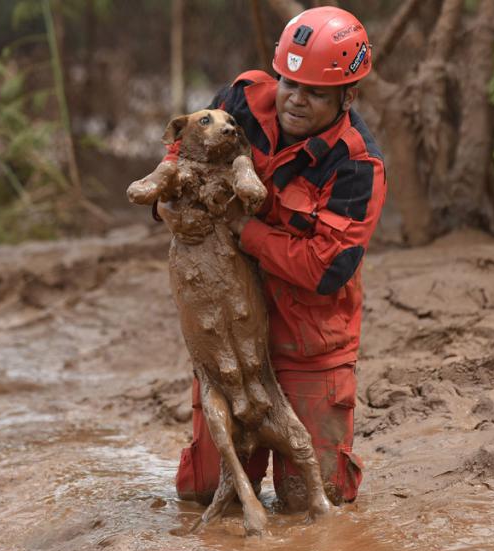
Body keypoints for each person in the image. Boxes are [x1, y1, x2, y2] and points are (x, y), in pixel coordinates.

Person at [165, 6, 386, 510]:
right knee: (202, 495)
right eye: (290, 82)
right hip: (230, 333)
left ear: (347, 97)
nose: (295, 100)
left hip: (309, 342)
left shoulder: (357, 165)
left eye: (315, 92)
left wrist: (247, 229)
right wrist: (168, 198)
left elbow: (326, 269)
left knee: (313, 499)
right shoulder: (240, 100)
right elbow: (183, 151)